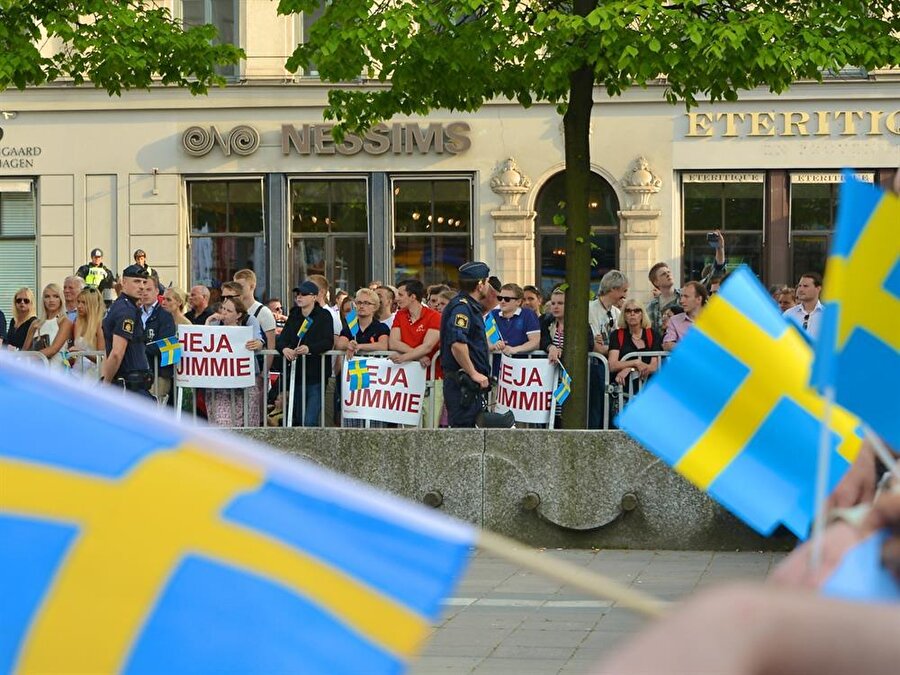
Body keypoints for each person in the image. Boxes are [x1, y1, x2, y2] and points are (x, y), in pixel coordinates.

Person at [440, 262, 492, 428]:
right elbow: (457, 344)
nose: (488, 286)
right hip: (463, 384)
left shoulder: (469, 306)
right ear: (480, 285)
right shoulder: (462, 308)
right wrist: (473, 373)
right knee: (464, 436)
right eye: (487, 282)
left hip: (469, 386)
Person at [277, 280, 335, 427]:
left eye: (304, 294)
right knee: (300, 418)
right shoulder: (294, 314)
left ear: (314, 297)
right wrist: (285, 349)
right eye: (298, 294)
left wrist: (309, 349)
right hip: (297, 374)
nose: (299, 297)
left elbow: (328, 342)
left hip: (316, 375)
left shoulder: (324, 315)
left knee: (310, 420)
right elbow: (282, 339)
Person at [204, 294, 265, 427]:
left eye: (229, 310)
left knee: (248, 424)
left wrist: (258, 343)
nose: (224, 313)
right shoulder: (215, 325)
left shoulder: (249, 323)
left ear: (238, 315)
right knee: (222, 423)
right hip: (221, 384)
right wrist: (208, 321)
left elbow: (257, 339)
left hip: (246, 381)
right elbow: (203, 342)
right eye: (223, 308)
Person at [389, 279, 442, 427]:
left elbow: (427, 346)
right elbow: (393, 342)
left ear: (413, 297)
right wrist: (417, 355)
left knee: (430, 426)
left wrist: (404, 357)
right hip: (407, 378)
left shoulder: (434, 316)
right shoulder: (400, 315)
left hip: (432, 378)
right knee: (409, 427)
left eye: (400, 294)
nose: (397, 298)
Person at [539, 287, 595, 428]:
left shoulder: (580, 323)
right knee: (552, 415)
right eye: (553, 303)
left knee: (569, 413)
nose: (556, 307)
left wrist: (564, 351)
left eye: (560, 303)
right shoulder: (546, 321)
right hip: (551, 378)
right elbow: (542, 340)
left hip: (572, 377)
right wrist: (551, 347)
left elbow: (589, 344)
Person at [338, 287, 390, 428]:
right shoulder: (351, 326)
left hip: (375, 380)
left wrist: (360, 346)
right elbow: (340, 343)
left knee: (374, 419)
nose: (362, 306)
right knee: (353, 417)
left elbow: (383, 345)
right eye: (359, 302)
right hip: (354, 377)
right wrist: (348, 344)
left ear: (375, 307)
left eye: (367, 303)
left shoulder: (381, 328)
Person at [100, 265, 151, 393]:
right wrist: (106, 384)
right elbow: (117, 353)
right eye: (136, 281)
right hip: (129, 387)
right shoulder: (126, 310)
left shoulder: (122, 305)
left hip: (129, 385)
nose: (142, 286)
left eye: (144, 282)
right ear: (123, 282)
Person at [608, 299, 661, 390]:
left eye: (636, 311)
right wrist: (636, 362)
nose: (632, 314)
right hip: (624, 390)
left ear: (642, 314)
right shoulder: (617, 335)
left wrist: (630, 369)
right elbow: (612, 365)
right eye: (628, 311)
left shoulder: (653, 334)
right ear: (624, 315)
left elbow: (654, 366)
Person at [139, 278, 177, 402]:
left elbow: (167, 344)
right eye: (142, 290)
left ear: (157, 291)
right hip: (139, 373)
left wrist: (140, 347)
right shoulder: (135, 313)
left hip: (159, 374)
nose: (144, 293)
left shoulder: (165, 315)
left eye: (148, 289)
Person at [24, 283, 74, 369]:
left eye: (55, 296)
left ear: (61, 299)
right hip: (36, 371)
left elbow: (54, 349)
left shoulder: (64, 322)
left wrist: (31, 358)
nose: (51, 300)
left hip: (56, 372)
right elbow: (24, 350)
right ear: (43, 300)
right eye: (47, 296)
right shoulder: (35, 323)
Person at [489, 283, 540, 361]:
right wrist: (493, 346)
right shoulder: (492, 314)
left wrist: (515, 349)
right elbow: (483, 339)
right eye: (500, 298)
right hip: (497, 367)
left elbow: (535, 342)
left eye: (507, 299)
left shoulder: (528, 315)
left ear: (518, 302)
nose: (502, 301)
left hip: (521, 367)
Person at [67, 287, 106, 379]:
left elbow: (102, 358)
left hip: (93, 373)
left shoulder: (100, 325)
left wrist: (82, 352)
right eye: (79, 302)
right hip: (77, 371)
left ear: (93, 305)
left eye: (84, 303)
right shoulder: (77, 323)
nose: (79, 306)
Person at [588, 270, 628, 358]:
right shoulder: (590, 310)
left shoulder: (617, 312)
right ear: (613, 288)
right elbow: (596, 347)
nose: (625, 296)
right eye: (624, 291)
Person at [663, 281, 708, 351]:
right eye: (681, 296)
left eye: (686, 297)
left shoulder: (715, 320)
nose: (681, 301)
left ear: (699, 299)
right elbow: (667, 344)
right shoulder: (674, 320)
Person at [783, 271, 824, 339]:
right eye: (799, 286)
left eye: (805, 286)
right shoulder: (788, 314)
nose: (800, 290)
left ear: (818, 289)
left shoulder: (826, 315)